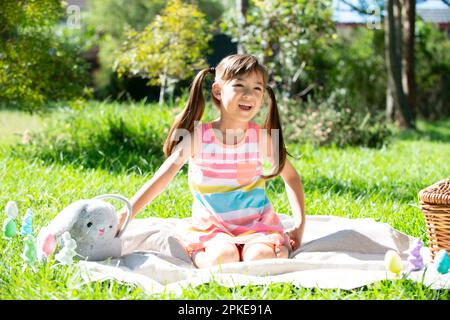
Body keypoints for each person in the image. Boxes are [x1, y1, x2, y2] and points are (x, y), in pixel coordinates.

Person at [116, 54, 306, 268]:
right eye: (239, 85)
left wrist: (299, 226)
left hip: (257, 226)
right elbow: (162, 178)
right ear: (218, 90)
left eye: (257, 88)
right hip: (212, 228)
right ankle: (195, 250)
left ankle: (272, 248)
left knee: (261, 260)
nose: (248, 95)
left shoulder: (262, 138)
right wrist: (125, 214)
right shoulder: (198, 137)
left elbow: (291, 177)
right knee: (223, 259)